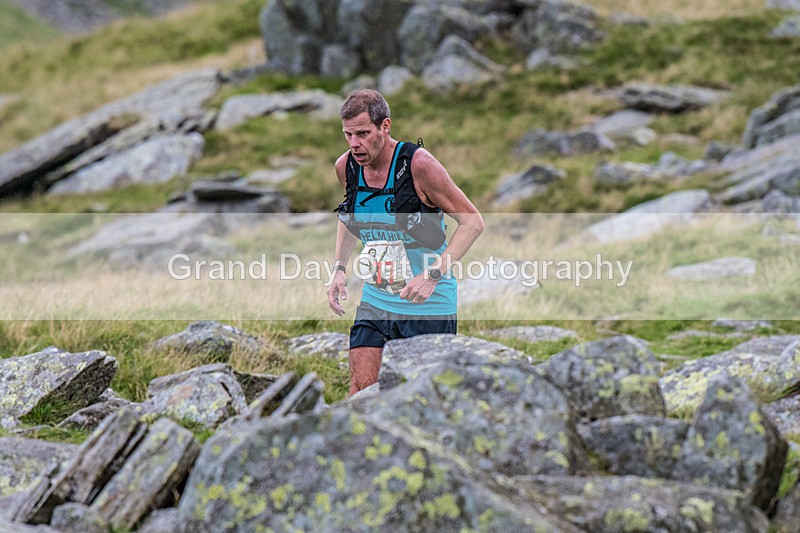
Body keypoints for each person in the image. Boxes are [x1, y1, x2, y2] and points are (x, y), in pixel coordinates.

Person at [327, 89, 484, 395]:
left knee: (424, 403)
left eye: (362, 133)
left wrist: (432, 275)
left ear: (385, 126)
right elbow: (348, 215)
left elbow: (472, 222)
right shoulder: (345, 167)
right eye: (348, 135)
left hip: (427, 307)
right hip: (375, 302)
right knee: (361, 394)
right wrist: (338, 269)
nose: (354, 144)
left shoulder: (418, 165)